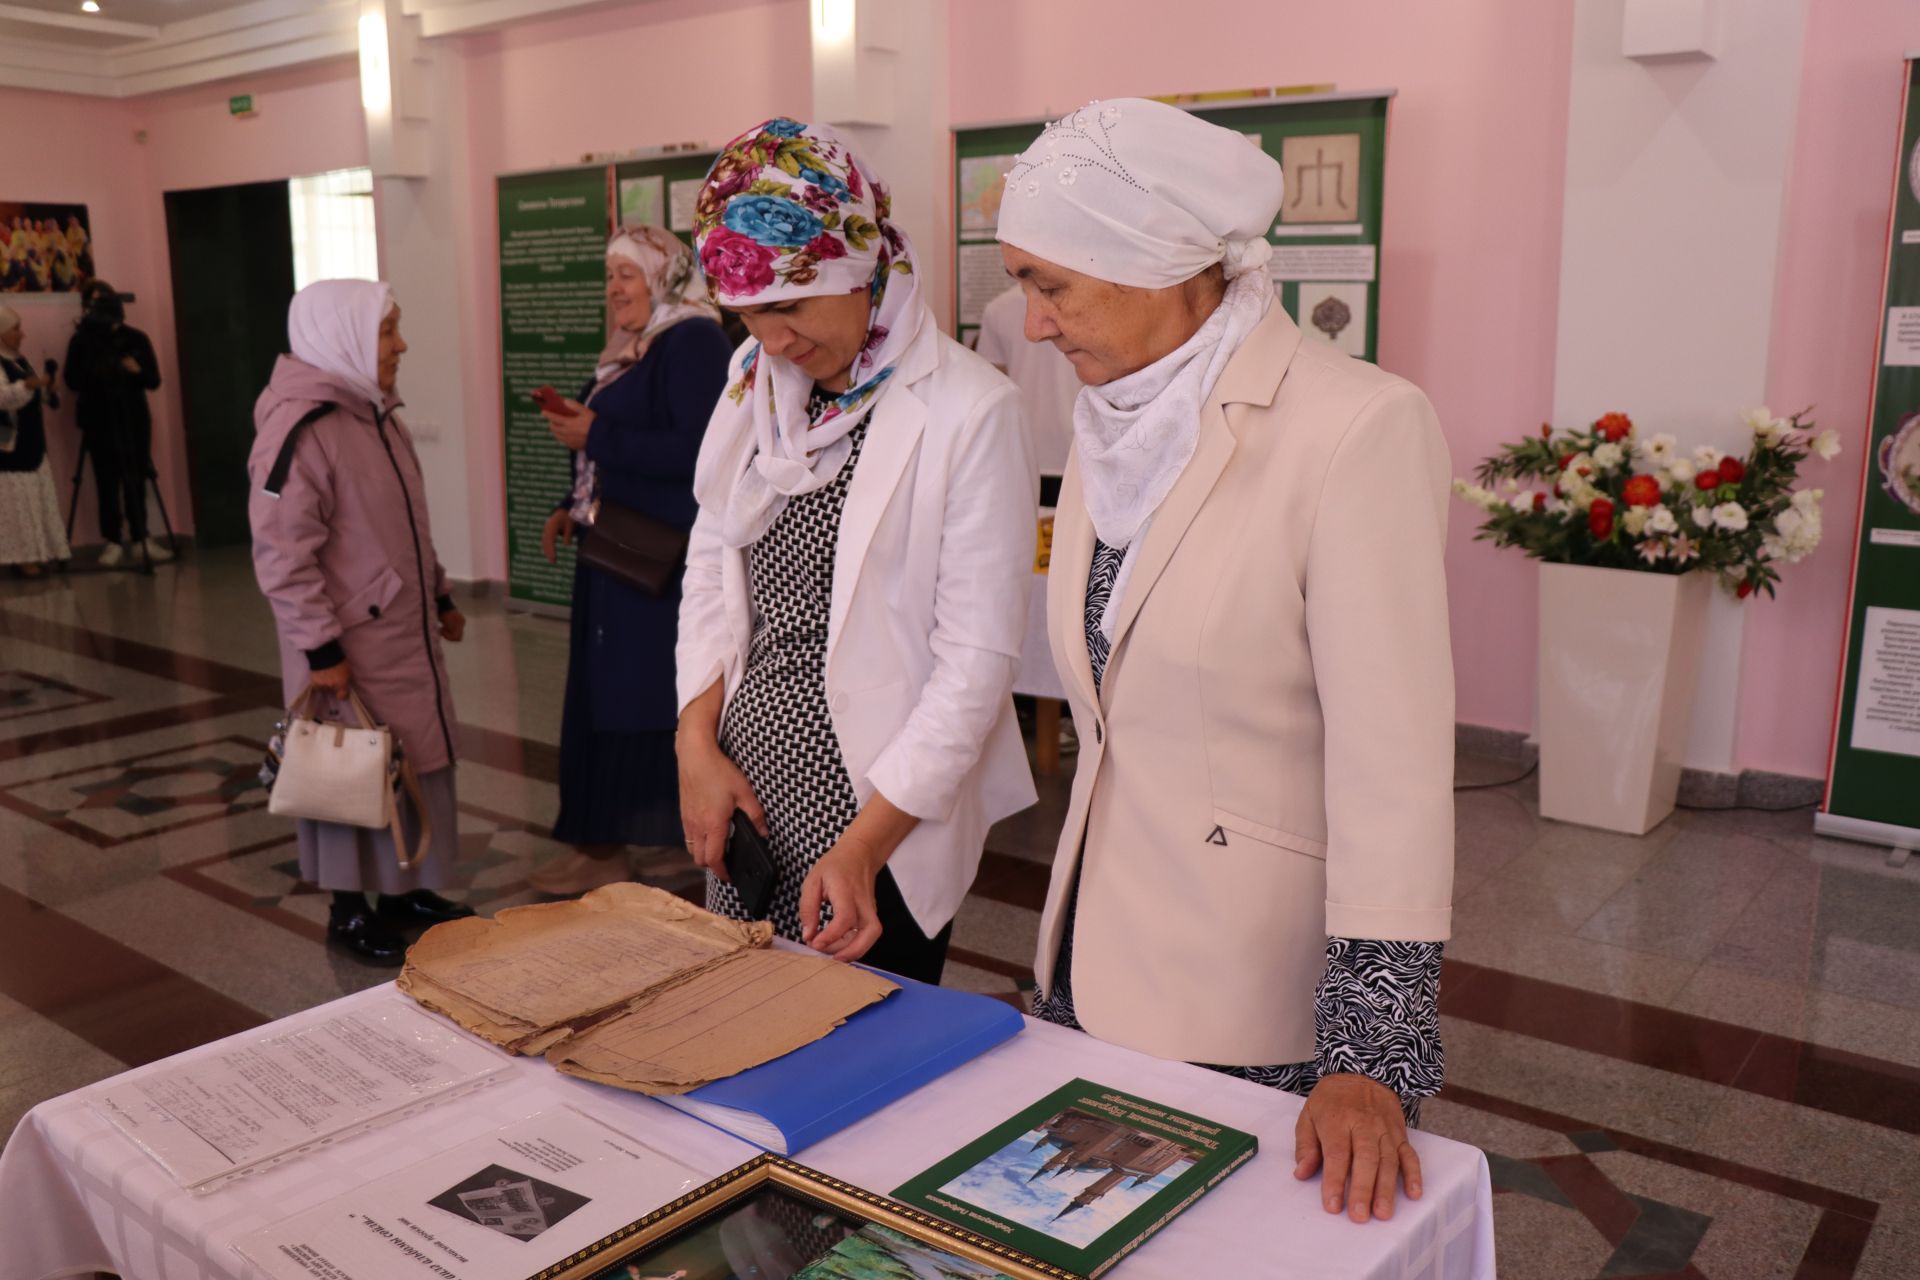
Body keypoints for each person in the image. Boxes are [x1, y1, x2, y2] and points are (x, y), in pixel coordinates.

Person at [998, 100, 1455, 1225]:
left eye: (1052, 285)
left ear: (1155, 263)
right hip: (1089, 957)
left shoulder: (1354, 427)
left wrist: (1371, 1052)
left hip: (1248, 990)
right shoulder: (1117, 416)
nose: (1034, 324)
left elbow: (1390, 765)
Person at [676, 118, 1038, 985]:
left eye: (791, 307)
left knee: (867, 1061)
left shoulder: (970, 411)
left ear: (861, 267)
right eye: (748, 315)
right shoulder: (754, 391)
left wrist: (866, 845)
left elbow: (974, 666)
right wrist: (695, 744)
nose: (772, 341)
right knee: (746, 1030)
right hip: (745, 785)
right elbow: (708, 567)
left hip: (884, 813)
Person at [248, 279, 475, 965]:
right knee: (351, 772)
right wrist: (320, 649)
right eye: (388, 331)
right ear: (342, 335)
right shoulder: (301, 428)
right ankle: (348, 910)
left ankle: (404, 890)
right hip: (347, 643)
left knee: (410, 757)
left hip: (400, 633)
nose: (400, 345)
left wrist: (438, 595)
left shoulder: (378, 415)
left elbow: (408, 523)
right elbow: (281, 551)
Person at [528, 226, 733, 896]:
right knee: (602, 697)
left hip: (660, 562)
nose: (614, 286)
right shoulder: (632, 348)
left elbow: (698, 452)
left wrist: (598, 434)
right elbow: (608, 448)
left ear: (665, 274)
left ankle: (657, 838)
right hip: (612, 546)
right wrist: (571, 500)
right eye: (609, 273)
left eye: (627, 272)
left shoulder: (693, 338)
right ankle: (602, 843)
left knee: (638, 702)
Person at [63, 280, 169, 567]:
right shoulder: (82, 341)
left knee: (136, 477)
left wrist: (135, 370)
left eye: (104, 302)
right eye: (93, 303)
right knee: (106, 481)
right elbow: (71, 380)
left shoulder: (135, 339)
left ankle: (140, 538)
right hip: (98, 420)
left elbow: (154, 380)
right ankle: (112, 540)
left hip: (133, 416)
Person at [975, 283, 1078, 482]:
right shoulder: (998, 310)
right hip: (1023, 452)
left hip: (1077, 451)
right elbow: (990, 389)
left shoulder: (998, 309)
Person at [0, 305, 72, 576]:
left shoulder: (20, 360)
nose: (21, 334)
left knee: (36, 497)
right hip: (8, 444)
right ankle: (21, 558)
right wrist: (28, 386)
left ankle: (39, 552)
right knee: (16, 500)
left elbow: (32, 395)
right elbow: (2, 398)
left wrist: (45, 389)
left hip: (32, 439)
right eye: (15, 329)